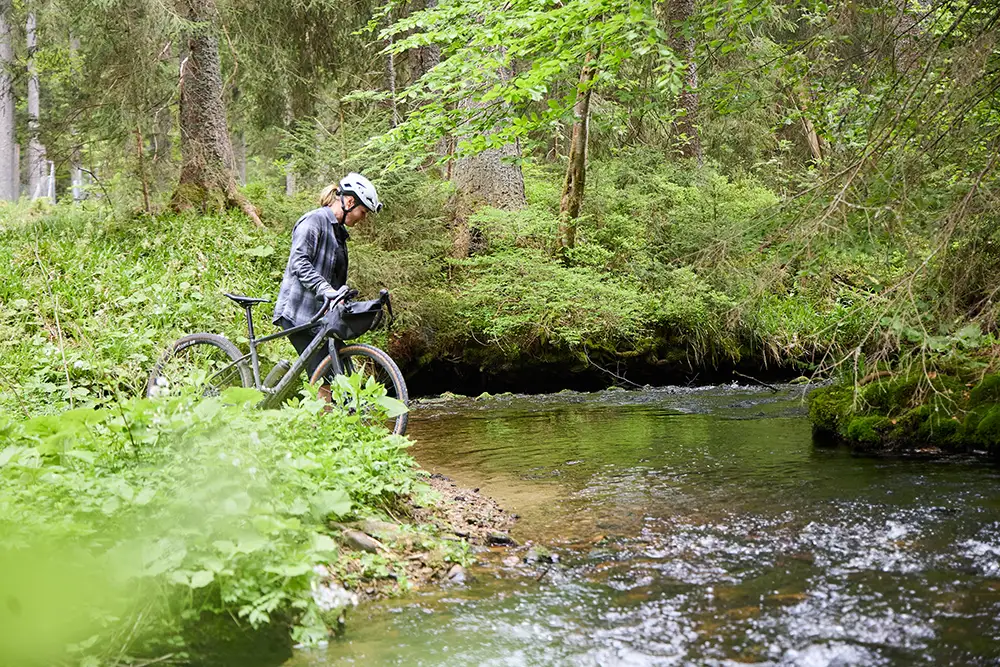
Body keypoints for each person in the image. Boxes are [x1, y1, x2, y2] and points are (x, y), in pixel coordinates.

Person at [272, 173, 383, 399]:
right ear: (350, 202)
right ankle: (322, 429)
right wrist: (326, 290)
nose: (363, 218)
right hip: (299, 314)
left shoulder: (338, 233)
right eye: (363, 212)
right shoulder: (314, 221)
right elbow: (299, 263)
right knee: (325, 375)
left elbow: (333, 278)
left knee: (342, 373)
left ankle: (340, 425)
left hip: (320, 318)